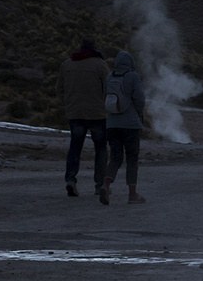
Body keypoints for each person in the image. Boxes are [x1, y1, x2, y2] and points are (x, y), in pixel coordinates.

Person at [57, 37, 109, 197]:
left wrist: (68, 105)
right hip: (97, 114)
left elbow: (60, 89)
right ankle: (99, 184)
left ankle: (71, 180)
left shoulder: (67, 64)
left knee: (75, 147)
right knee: (100, 149)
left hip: (75, 113)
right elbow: (109, 88)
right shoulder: (100, 65)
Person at [101, 50, 147, 204]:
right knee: (132, 159)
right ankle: (132, 194)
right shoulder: (133, 76)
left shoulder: (109, 77)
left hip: (112, 124)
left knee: (115, 157)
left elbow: (105, 97)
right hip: (131, 125)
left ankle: (106, 185)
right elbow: (139, 98)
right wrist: (139, 114)